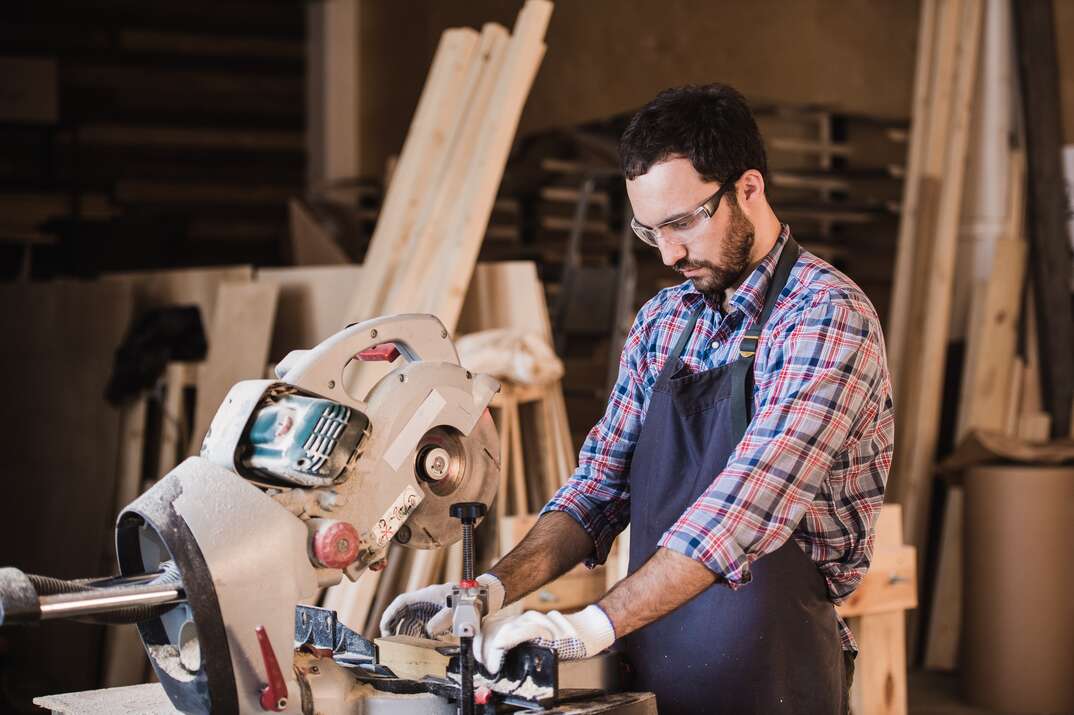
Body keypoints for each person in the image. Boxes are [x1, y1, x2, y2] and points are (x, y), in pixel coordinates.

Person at [381, 83, 894, 714]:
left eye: (682, 223)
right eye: (650, 231)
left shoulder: (825, 317)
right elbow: (597, 491)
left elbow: (742, 510)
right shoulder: (664, 322)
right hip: (654, 656)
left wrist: (584, 627)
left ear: (749, 189)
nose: (670, 253)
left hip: (774, 674)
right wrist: (484, 591)